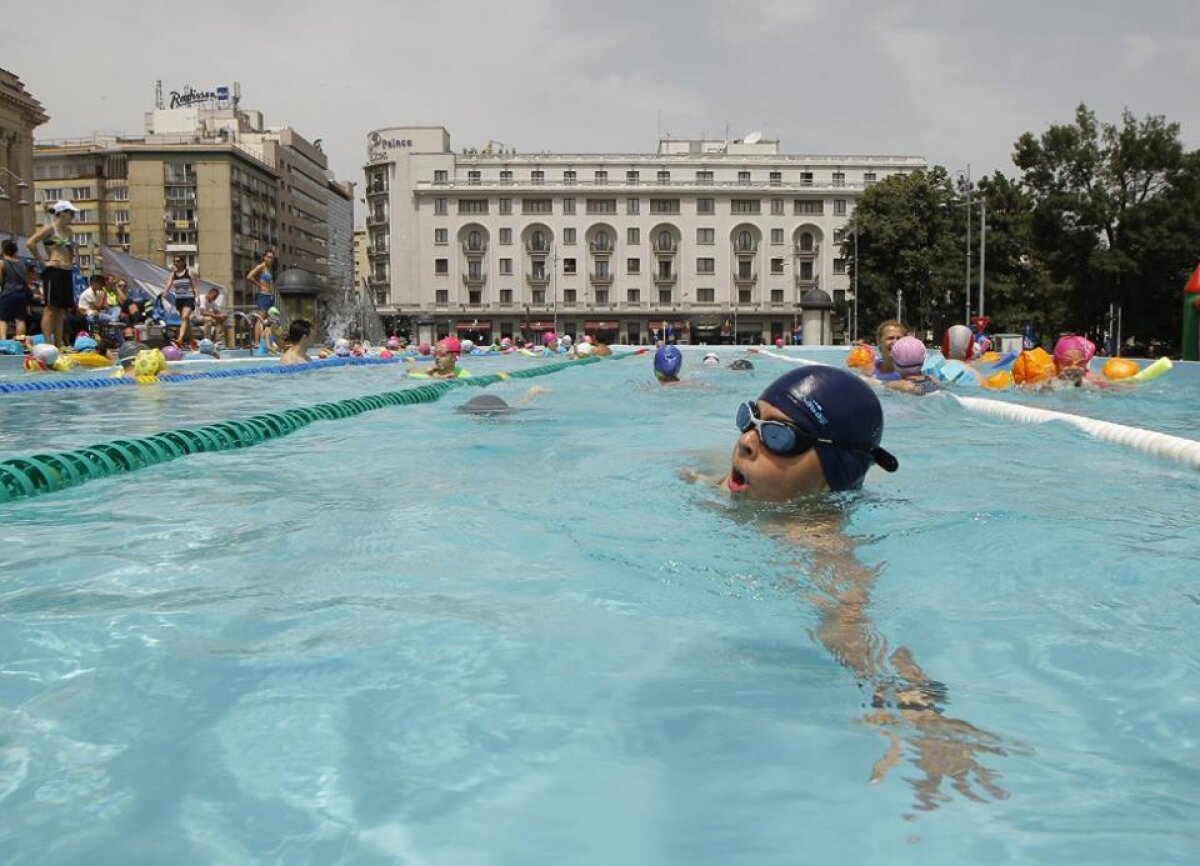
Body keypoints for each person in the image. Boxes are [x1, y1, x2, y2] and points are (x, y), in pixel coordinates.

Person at [708, 368, 1008, 808]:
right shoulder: (743, 482)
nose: (747, 442)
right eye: (749, 420)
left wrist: (919, 716)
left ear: (834, 471)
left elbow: (850, 626)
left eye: (779, 437)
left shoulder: (817, 542)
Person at [26, 200, 80, 347]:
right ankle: (48, 343)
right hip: (54, 271)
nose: (72, 216)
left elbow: (69, 250)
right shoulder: (50, 229)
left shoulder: (68, 232)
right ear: (61, 213)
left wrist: (72, 254)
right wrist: (43, 262)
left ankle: (59, 343)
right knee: (51, 309)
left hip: (66, 270)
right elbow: (31, 242)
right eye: (70, 212)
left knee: (61, 310)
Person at [164, 255, 198, 347]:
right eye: (175, 261)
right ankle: (193, 341)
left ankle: (180, 338)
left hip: (189, 298)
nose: (176, 263)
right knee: (186, 320)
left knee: (185, 316)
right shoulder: (173, 274)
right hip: (179, 299)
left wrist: (197, 297)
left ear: (183, 262)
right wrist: (165, 292)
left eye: (178, 261)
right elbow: (168, 284)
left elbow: (194, 286)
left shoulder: (188, 273)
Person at [0, 240, 30, 340]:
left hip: (7, 293)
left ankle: (3, 341)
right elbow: (25, 279)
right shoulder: (22, 263)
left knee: (3, 319)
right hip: (21, 294)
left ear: (3, 250)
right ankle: (20, 341)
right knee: (20, 319)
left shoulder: (2, 263)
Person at [247, 249, 277, 345]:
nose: (270, 259)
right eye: (268, 257)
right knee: (260, 319)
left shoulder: (269, 268)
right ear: (264, 257)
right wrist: (259, 285)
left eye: (272, 258)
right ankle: (256, 342)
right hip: (263, 296)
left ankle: (267, 341)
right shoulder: (262, 267)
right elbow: (249, 276)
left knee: (270, 320)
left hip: (270, 296)